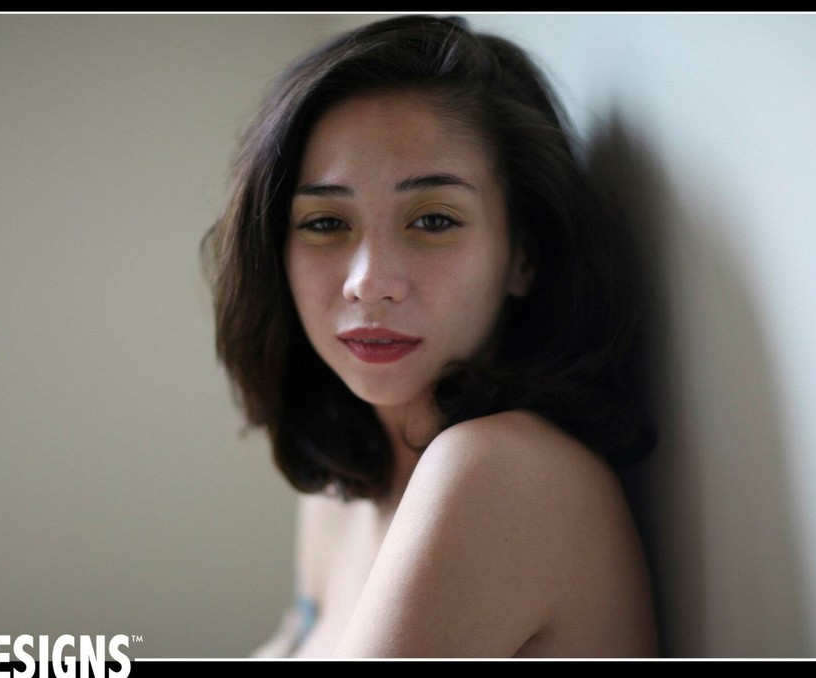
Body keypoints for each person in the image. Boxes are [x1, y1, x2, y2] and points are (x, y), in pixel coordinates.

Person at [203, 15, 658, 658]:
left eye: (434, 220)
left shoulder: (498, 472)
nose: (369, 283)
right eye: (326, 222)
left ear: (522, 255)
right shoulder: (341, 492)